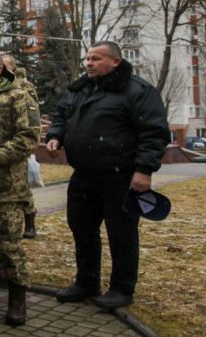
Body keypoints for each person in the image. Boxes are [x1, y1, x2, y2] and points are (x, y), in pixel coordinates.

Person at [47, 41, 169, 310]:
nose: (88, 63)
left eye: (96, 59)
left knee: (121, 233)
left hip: (120, 177)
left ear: (115, 61)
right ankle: (87, 282)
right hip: (83, 175)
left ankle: (122, 288)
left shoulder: (137, 91)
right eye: (87, 58)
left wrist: (144, 170)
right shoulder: (80, 89)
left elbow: (154, 133)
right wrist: (55, 136)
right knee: (82, 228)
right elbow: (61, 115)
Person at [0, 50, 39, 326]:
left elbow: (28, 138)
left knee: (10, 247)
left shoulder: (18, 95)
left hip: (8, 190)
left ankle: (17, 301)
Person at [1, 53, 41, 238]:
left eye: (6, 66)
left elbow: (32, 117)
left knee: (22, 188)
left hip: (18, 147)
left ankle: (30, 222)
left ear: (14, 67)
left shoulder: (24, 87)